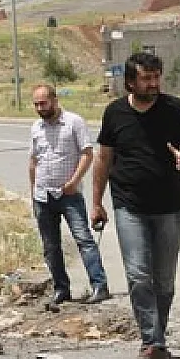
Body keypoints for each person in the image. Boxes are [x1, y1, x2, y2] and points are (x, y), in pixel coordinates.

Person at [91, 52, 180, 359]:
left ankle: (157, 339)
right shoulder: (114, 113)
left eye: (157, 77)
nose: (153, 84)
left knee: (164, 280)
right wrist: (96, 201)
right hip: (129, 206)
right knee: (139, 275)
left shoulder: (174, 109)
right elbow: (104, 160)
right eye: (146, 78)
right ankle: (151, 342)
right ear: (130, 81)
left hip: (169, 206)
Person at [29, 84, 110, 309]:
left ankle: (99, 285)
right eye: (36, 104)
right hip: (43, 196)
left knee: (83, 239)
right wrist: (32, 192)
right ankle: (61, 289)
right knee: (50, 245)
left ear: (54, 100)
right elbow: (33, 161)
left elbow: (87, 154)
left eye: (43, 103)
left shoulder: (74, 122)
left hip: (69, 194)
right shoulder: (36, 128)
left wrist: (74, 181)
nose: (39, 108)